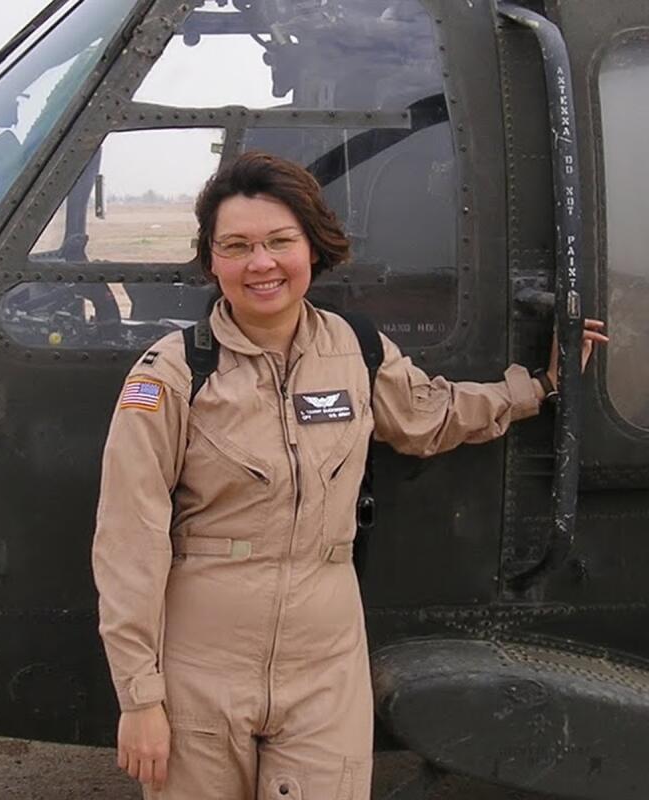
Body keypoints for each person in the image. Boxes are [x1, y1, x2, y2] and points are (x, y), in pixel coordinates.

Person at [91, 151, 608, 799]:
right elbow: (128, 541)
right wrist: (140, 699)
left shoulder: (356, 350)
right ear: (211, 258)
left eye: (281, 241)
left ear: (313, 246)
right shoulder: (171, 373)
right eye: (237, 246)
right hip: (203, 658)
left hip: (324, 658)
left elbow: (430, 416)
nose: (261, 264)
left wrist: (539, 387)